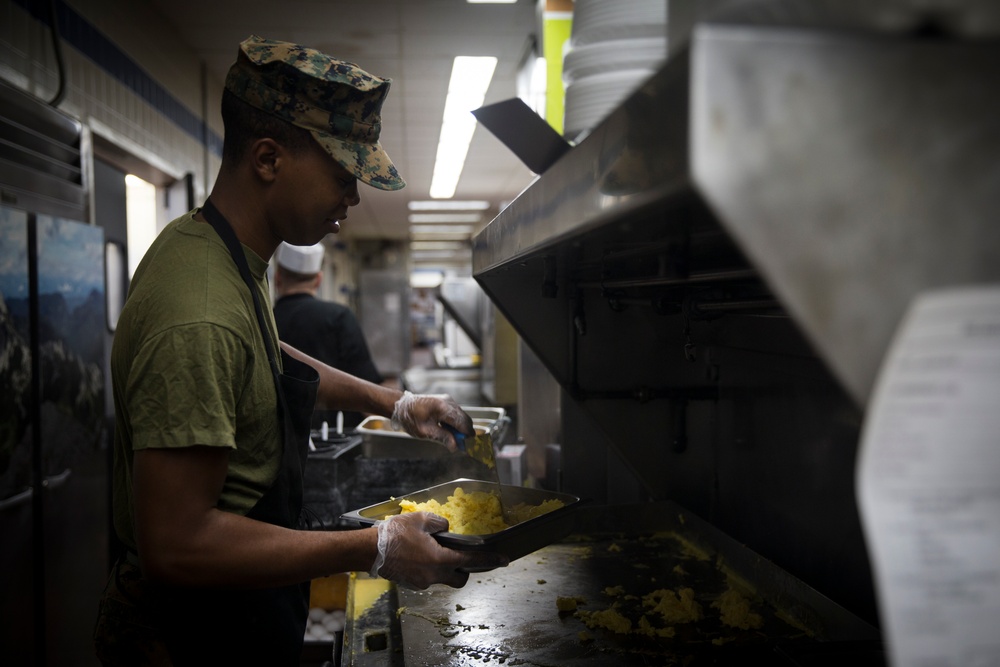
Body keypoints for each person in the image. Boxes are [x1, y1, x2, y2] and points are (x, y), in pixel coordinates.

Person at [93, 35, 506, 666]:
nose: (355, 198)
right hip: (193, 633)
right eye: (342, 176)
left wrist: (395, 403)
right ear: (267, 158)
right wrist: (374, 548)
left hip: (243, 603)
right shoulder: (198, 310)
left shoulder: (220, 255)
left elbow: (264, 352)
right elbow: (177, 544)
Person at [273, 241, 382, 431]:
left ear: (277, 279)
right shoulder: (339, 317)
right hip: (338, 438)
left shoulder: (264, 320)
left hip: (279, 440)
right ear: (318, 280)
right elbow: (367, 389)